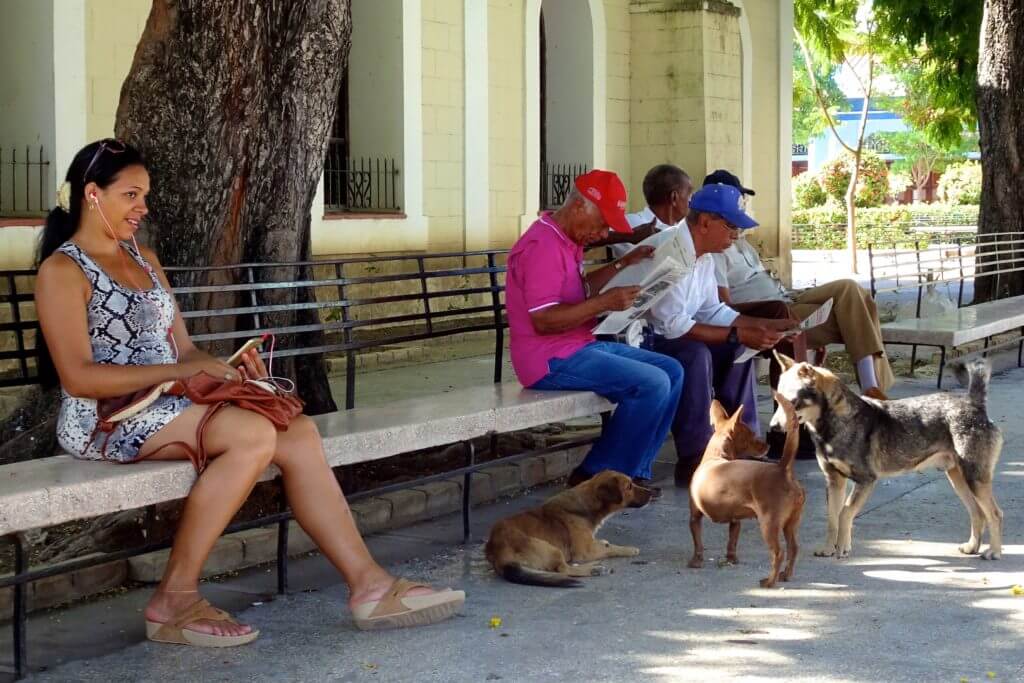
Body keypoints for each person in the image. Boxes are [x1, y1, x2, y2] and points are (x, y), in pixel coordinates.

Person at [34, 140, 464, 648]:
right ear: (92, 195)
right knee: (253, 435)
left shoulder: (144, 259)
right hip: (106, 419)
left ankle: (370, 586)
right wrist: (175, 374)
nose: (142, 207)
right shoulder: (63, 271)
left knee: (297, 431)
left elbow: (185, 349)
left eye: (145, 194)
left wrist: (225, 369)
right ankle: (174, 596)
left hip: (165, 401)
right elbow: (80, 378)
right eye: (131, 194)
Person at [505, 169, 684, 496]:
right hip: (548, 359)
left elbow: (579, 289)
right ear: (578, 207)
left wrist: (623, 264)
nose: (603, 235)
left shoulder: (564, 238)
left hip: (577, 346)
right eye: (602, 224)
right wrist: (604, 302)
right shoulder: (542, 245)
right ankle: (595, 479)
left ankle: (631, 474)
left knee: (671, 370)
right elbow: (543, 320)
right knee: (652, 382)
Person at [626, 168, 795, 487]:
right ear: (705, 222)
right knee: (695, 354)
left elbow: (712, 310)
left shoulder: (703, 256)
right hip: (643, 341)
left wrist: (764, 326)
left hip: (673, 334)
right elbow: (674, 326)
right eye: (731, 226)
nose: (736, 235)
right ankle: (696, 457)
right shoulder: (671, 252)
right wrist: (740, 331)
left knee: (737, 348)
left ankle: (742, 442)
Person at [705, 169, 894, 398]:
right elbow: (723, 306)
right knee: (856, 310)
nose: (742, 204)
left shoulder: (741, 242)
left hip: (787, 297)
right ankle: (872, 387)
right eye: (738, 199)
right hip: (772, 311)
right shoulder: (715, 248)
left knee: (852, 289)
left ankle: (872, 387)